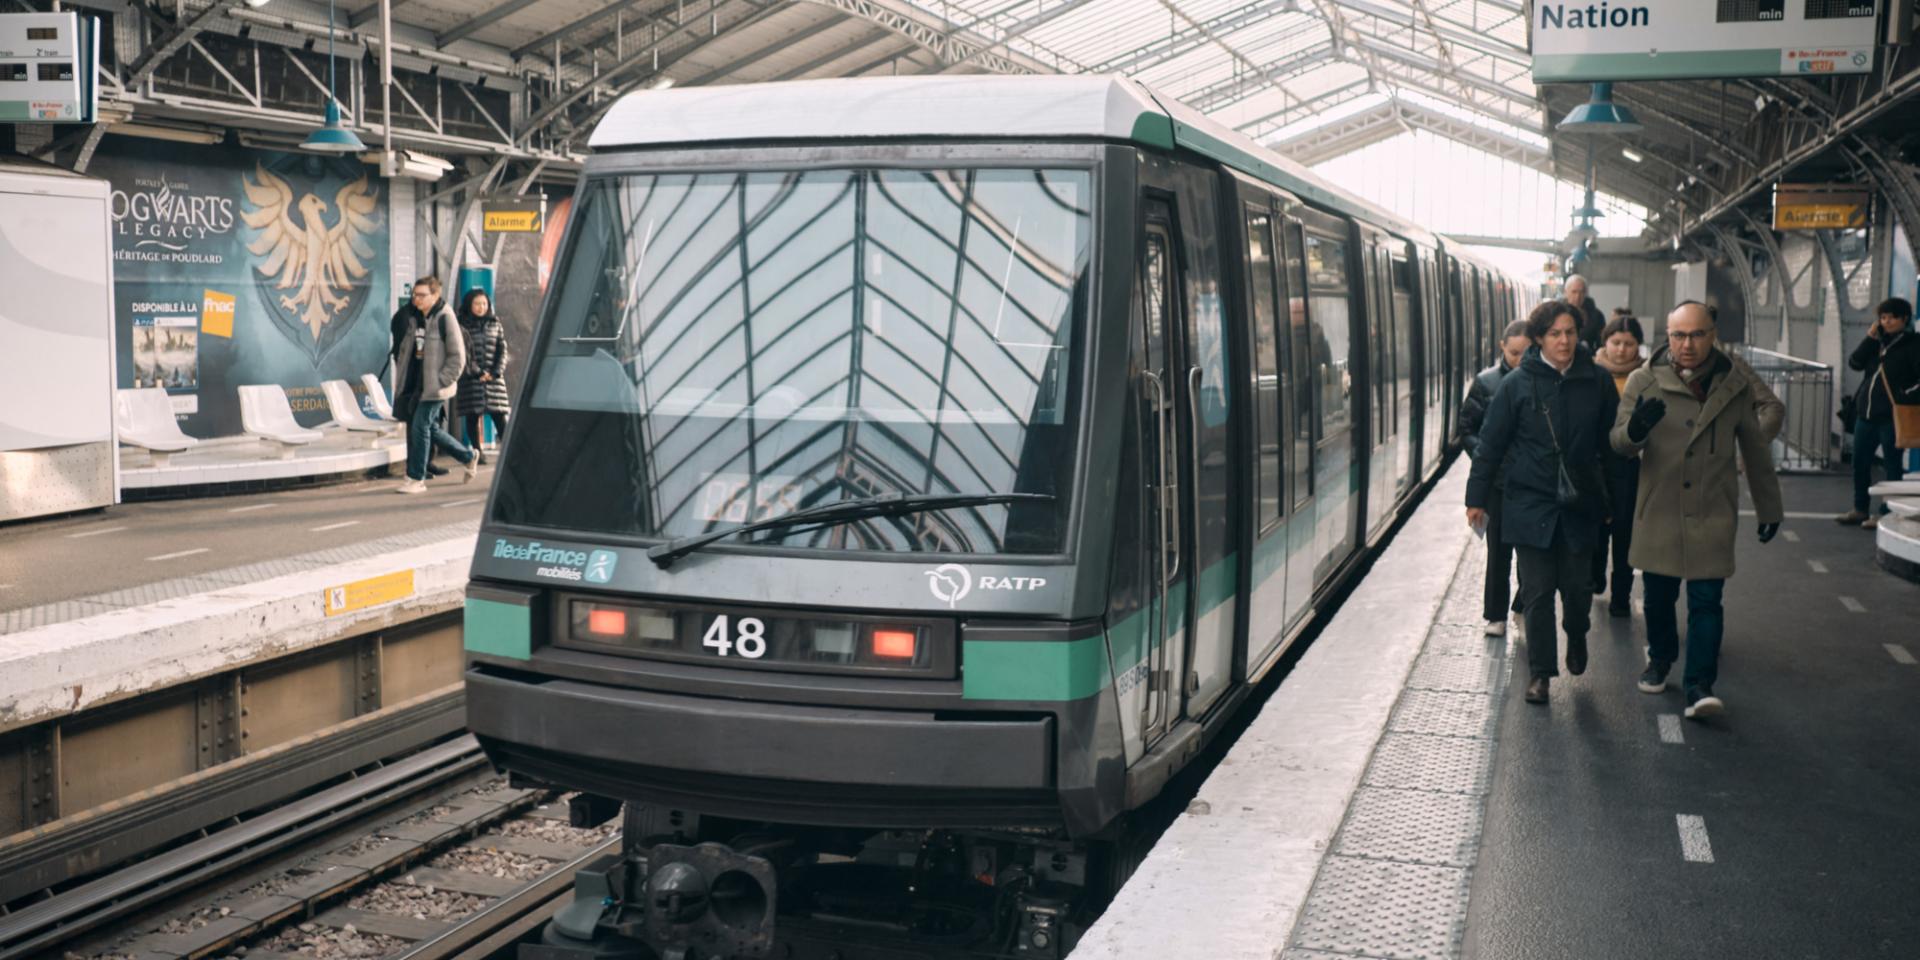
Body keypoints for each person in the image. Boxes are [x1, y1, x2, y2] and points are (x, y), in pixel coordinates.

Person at [1612, 301, 1783, 720]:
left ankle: (1699, 685)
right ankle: (1661, 658)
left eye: (1697, 334)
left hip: (1713, 508)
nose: (1687, 344)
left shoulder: (1734, 384)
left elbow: (1756, 450)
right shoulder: (1643, 380)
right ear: (1667, 336)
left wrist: (1769, 508)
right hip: (1660, 509)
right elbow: (1618, 441)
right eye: (1678, 335)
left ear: (1712, 335)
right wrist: (1635, 431)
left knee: (1707, 600)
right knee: (1658, 597)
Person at [1466, 301, 1619, 705]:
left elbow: (1610, 447)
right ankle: (1541, 674)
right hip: (1529, 503)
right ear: (1539, 338)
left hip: (1580, 503)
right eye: (1555, 334)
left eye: (1570, 332)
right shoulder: (1517, 385)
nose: (1564, 341)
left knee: (1576, 587)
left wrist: (1614, 501)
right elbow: (1490, 445)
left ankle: (1578, 633)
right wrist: (1476, 499)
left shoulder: (1597, 383)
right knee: (1535, 591)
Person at [1459, 320, 1532, 637]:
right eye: (1514, 353)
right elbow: (1467, 431)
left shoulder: (1540, 382)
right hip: (1497, 485)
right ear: (1502, 348)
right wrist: (1486, 457)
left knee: (1530, 555)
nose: (1520, 359)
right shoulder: (1485, 383)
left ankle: (1522, 606)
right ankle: (1495, 615)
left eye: (1526, 353)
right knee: (1498, 552)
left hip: (1531, 484)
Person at [1836, 297, 1919, 529]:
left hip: (1892, 417)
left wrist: (1902, 398)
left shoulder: (1913, 344)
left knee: (1891, 465)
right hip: (1866, 415)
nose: (1887, 321)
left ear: (1904, 319)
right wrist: (1870, 338)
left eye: (1892, 317)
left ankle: (1886, 512)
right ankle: (1859, 508)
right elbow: (1854, 363)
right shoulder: (1878, 343)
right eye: (1883, 318)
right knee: (1859, 462)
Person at [390, 275, 478, 495]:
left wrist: (441, 381)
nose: (416, 299)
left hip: (434, 386)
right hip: (417, 384)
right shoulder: (417, 318)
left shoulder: (445, 317)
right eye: (414, 295)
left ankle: (416, 478)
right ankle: (468, 456)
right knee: (430, 428)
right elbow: (406, 351)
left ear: (435, 295)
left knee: (420, 426)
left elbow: (457, 357)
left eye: (422, 295)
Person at [1591, 315, 1645, 615]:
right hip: (1595, 466)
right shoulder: (1590, 373)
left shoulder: (1647, 376)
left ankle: (1621, 598)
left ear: (1638, 345)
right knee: (1597, 531)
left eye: (1628, 343)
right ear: (1605, 343)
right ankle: (1596, 576)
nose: (1622, 350)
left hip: (1630, 467)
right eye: (1616, 342)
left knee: (1625, 536)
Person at [456, 290, 512, 465]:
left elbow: (502, 349)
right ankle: (477, 452)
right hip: (472, 378)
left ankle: (509, 452)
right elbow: (462, 352)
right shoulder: (461, 325)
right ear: (469, 305)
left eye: (484, 304)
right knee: (472, 416)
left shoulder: (495, 323)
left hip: (494, 379)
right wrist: (477, 372)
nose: (481, 308)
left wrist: (495, 371)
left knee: (499, 416)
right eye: (476, 304)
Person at [1562, 274, 1607, 351]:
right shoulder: (1557, 313)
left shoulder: (1596, 315)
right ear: (1565, 292)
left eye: (1582, 292)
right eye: (1574, 292)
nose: (1578, 296)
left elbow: (1602, 342)